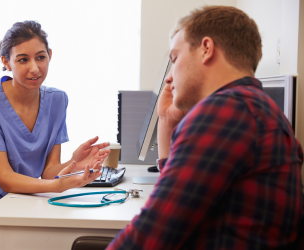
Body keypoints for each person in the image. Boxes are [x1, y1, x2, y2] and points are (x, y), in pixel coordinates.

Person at [107, 5, 303, 250]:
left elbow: (152, 233)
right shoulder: (257, 109)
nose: (169, 77)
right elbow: (178, 199)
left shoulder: (225, 111)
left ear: (206, 49)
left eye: (175, 58)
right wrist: (167, 122)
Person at [0, 20, 110, 249]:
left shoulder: (57, 100)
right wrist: (57, 187)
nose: (34, 68)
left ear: (50, 55)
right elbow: (5, 178)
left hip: (23, 203)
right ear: (6, 62)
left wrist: (73, 164)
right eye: (23, 59)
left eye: (40, 57)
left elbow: (48, 171)